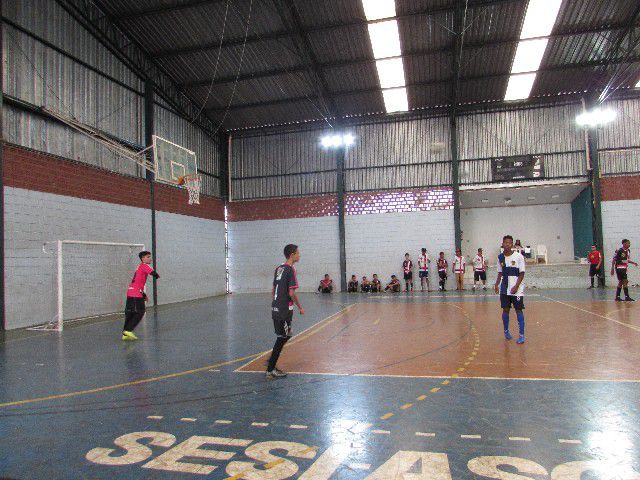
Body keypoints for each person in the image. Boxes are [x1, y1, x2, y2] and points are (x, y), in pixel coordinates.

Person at [267, 244, 304, 378]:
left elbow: (273, 290)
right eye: (298, 253)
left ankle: (271, 360)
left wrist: (275, 303)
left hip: (277, 307)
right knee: (282, 337)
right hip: (284, 309)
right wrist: (300, 307)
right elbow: (291, 293)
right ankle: (270, 369)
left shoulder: (279, 268)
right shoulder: (290, 269)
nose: (299, 255)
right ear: (292, 255)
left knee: (287, 334)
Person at [494, 235, 526, 344]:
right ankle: (506, 331)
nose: (507, 244)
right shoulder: (500, 258)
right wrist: (496, 284)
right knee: (505, 309)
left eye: (509, 243)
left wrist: (516, 286)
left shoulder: (519, 257)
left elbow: (522, 274)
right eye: (505, 242)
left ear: (512, 244)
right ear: (502, 244)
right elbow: (500, 273)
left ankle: (521, 335)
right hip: (504, 288)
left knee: (518, 310)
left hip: (517, 289)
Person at [122, 251, 159, 341]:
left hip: (131, 291)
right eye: (148, 257)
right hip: (136, 293)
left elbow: (138, 282)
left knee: (130, 312)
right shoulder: (144, 265)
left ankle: (125, 334)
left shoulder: (139, 267)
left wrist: (143, 294)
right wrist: (157, 275)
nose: (150, 258)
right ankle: (129, 330)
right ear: (143, 258)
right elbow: (155, 274)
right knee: (140, 311)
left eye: (150, 256)